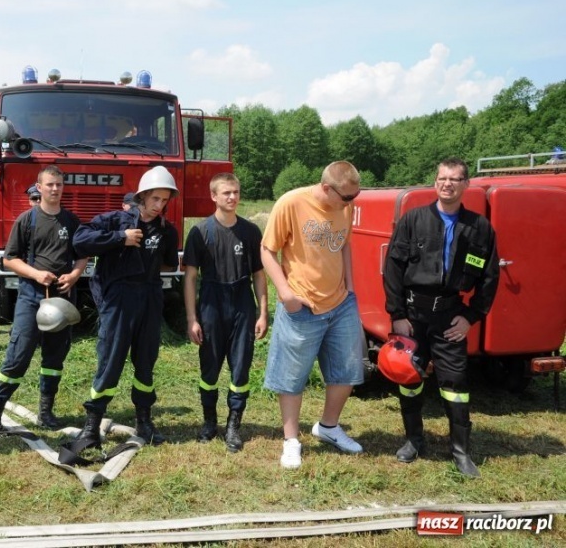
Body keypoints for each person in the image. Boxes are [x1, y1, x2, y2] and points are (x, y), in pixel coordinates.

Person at [383, 157, 499, 477]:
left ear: (466, 184)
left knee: (456, 384)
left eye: (454, 179)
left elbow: (490, 278)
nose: (447, 184)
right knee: (409, 379)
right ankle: (413, 440)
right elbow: (393, 268)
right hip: (412, 317)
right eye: (442, 178)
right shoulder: (413, 220)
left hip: (450, 318)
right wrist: (397, 315)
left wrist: (470, 317)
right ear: (435, 182)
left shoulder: (480, 228)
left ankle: (461, 452)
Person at [261, 160, 364, 469]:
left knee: (347, 371)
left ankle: (329, 427)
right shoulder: (291, 202)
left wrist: (351, 287)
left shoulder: (344, 205)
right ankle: (291, 440)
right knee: (292, 376)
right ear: (326, 188)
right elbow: (267, 250)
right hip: (302, 305)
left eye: (355, 197)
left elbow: (345, 244)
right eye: (346, 198)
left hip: (341, 303)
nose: (351, 203)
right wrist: (285, 293)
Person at [0, 166, 87, 433]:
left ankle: (45, 414)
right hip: (31, 297)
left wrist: (74, 275)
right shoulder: (27, 220)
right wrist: (36, 274)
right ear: (39, 186)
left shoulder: (71, 222)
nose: (55, 189)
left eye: (59, 184)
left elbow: (84, 254)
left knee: (54, 359)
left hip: (61, 300)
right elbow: (9, 259)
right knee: (18, 356)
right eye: (49, 184)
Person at [71, 165, 179, 447]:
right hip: (118, 299)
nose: (160, 206)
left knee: (146, 361)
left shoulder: (167, 230)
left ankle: (144, 422)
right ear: (142, 196)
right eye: (155, 199)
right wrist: (121, 239)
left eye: (165, 200)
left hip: (150, 297)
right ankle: (91, 426)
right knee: (111, 360)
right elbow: (80, 240)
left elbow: (169, 263)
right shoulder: (116, 220)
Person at [183, 172, 268, 453]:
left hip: (242, 301)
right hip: (211, 302)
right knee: (209, 367)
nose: (232, 197)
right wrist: (192, 318)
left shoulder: (251, 231)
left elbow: (259, 274)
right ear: (214, 196)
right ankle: (210, 422)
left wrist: (263, 312)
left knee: (241, 367)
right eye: (227, 193)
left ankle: (233, 425)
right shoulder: (200, 232)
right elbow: (191, 278)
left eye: (236, 192)